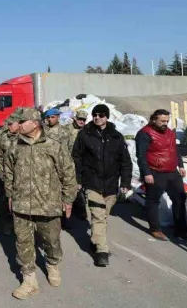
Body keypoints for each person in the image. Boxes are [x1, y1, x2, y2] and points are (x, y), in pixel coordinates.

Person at [4, 108, 77, 300]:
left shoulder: (54, 146)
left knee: (51, 241)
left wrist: (68, 199)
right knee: (23, 242)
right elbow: (8, 171)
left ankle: (52, 264)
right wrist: (10, 194)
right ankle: (29, 280)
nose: (18, 125)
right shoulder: (15, 146)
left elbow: (68, 173)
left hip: (48, 204)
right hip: (21, 204)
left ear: (35, 123)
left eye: (22, 122)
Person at [71, 104, 132, 267]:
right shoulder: (85, 135)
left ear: (107, 117)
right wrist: (78, 179)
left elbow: (125, 161)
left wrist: (125, 182)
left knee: (103, 216)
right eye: (95, 115)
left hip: (111, 184)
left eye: (102, 115)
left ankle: (95, 239)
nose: (98, 117)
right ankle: (102, 251)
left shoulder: (117, 137)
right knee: (98, 215)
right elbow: (76, 157)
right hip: (92, 182)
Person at [136, 109, 187, 242]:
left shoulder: (170, 133)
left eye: (167, 121)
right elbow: (141, 155)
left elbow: (175, 150)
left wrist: (180, 165)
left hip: (172, 172)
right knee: (153, 201)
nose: (165, 123)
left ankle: (181, 230)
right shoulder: (144, 134)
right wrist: (146, 173)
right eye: (162, 121)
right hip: (155, 172)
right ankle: (155, 229)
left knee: (180, 199)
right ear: (154, 120)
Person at [0, 110, 24, 236]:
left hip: (23, 177)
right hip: (7, 176)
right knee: (7, 201)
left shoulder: (25, 137)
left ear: (19, 124)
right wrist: (2, 172)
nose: (8, 126)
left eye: (11, 123)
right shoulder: (4, 137)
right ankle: (8, 223)